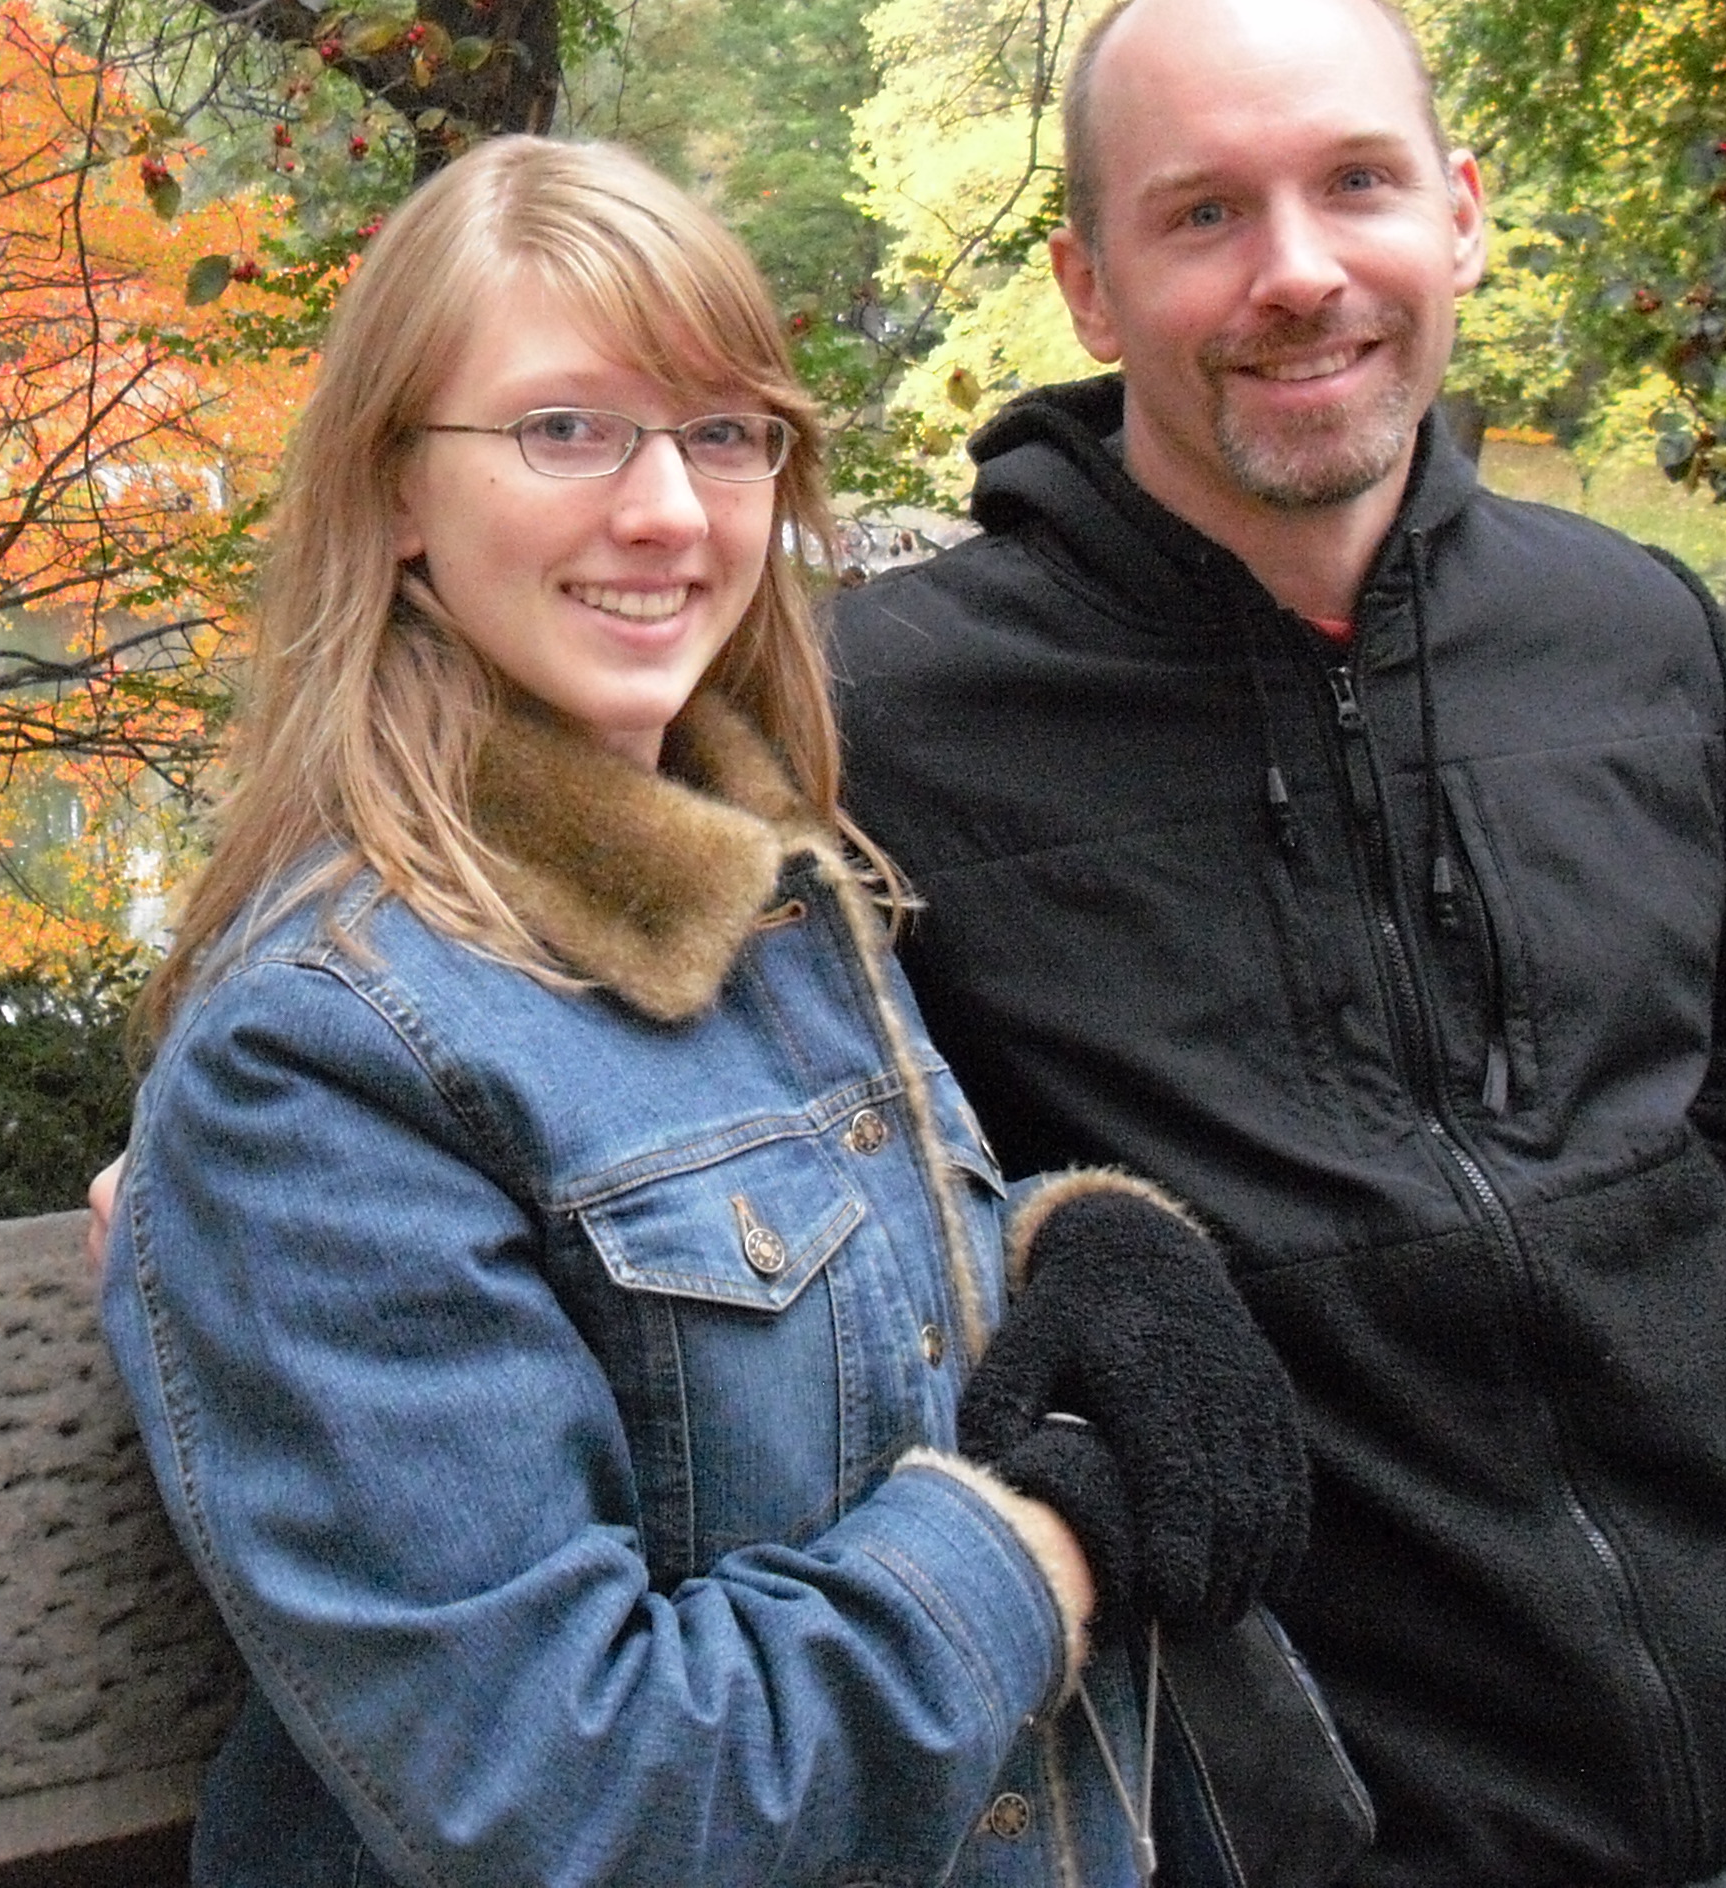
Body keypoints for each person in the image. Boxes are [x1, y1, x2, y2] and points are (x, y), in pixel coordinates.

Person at [828, 0, 1726, 1888]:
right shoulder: (885, 725)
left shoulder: (1631, 634)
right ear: (1090, 284)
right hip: (1353, 1822)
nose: (1299, 271)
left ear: (1461, 213)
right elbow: (784, 1195)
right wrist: (1062, 1246)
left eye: (1356, 181)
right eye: (1202, 214)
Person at [90, 136, 1310, 1888]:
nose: (670, 509)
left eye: (724, 433)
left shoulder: (765, 889)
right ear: (397, 487)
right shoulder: (320, 1058)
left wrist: (1082, 1247)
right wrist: (1040, 1548)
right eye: (565, 428)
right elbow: (574, 1801)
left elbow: (789, 1333)